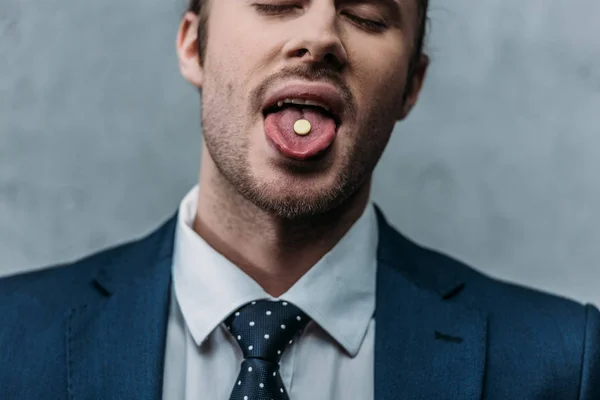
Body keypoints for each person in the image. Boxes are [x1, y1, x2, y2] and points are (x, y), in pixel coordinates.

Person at [1, 0, 598, 398]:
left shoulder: (561, 364)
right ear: (193, 46)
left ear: (412, 85)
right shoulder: (12, 340)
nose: (318, 36)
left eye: (365, 13)